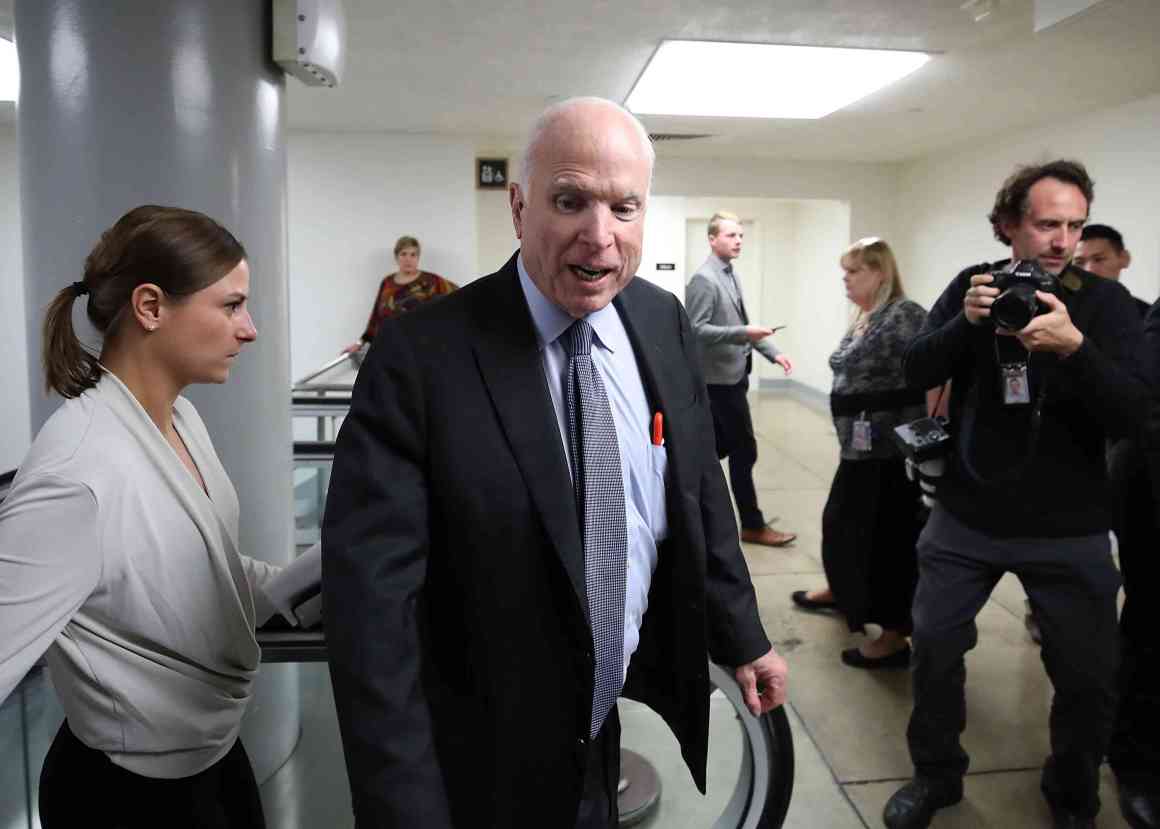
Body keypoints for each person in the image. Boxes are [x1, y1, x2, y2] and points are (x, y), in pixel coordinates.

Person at [321, 97, 788, 829]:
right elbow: (372, 621)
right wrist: (403, 808)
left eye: (624, 208)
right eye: (570, 201)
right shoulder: (422, 358)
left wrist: (742, 632)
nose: (599, 238)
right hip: (479, 758)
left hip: (604, 730)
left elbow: (697, 489)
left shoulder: (661, 321)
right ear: (518, 205)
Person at [882, 160, 1148, 829]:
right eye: (1046, 223)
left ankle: (1072, 796)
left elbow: (1135, 416)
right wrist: (965, 325)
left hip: (1073, 525)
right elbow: (913, 369)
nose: (1062, 241)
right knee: (936, 650)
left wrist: (1075, 348)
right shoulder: (973, 288)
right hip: (969, 512)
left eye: (1075, 225)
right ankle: (936, 774)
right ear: (1008, 225)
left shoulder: (1107, 303)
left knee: (1087, 679)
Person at [0, 205, 279, 828]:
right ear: (150, 307)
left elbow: (208, 572)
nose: (250, 328)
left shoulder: (180, 421)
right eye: (231, 306)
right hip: (126, 799)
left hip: (215, 769)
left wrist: (330, 573)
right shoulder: (75, 473)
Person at [791, 238, 927, 669]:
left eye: (854, 272)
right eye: (845, 271)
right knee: (842, 527)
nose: (845, 280)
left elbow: (931, 373)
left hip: (891, 455)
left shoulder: (904, 315)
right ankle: (845, 592)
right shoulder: (866, 315)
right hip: (859, 452)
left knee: (888, 542)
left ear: (880, 273)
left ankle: (892, 635)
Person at [684, 211, 797, 547]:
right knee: (743, 450)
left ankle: (691, 511)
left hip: (734, 377)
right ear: (712, 239)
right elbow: (695, 330)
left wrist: (773, 352)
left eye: (741, 236)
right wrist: (743, 333)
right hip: (718, 383)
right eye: (731, 235)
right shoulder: (705, 279)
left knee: (714, 450)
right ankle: (751, 523)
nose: (738, 241)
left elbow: (744, 326)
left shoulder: (729, 274)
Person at [343, 235, 458, 352]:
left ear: (418, 258)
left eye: (413, 255)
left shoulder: (431, 281)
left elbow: (457, 299)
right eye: (403, 254)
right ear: (396, 257)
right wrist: (360, 343)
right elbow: (376, 319)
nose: (408, 259)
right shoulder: (387, 282)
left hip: (421, 348)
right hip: (389, 347)